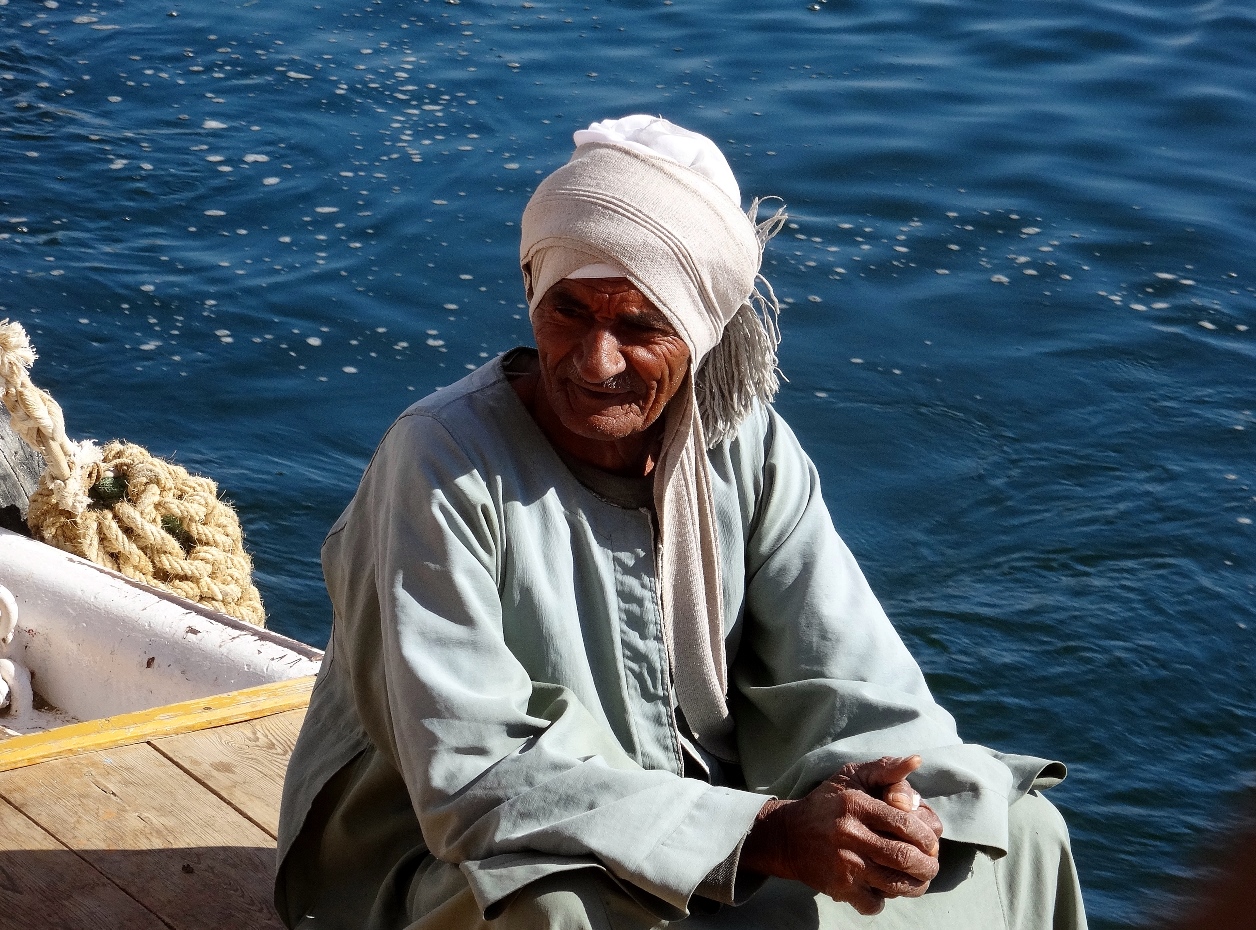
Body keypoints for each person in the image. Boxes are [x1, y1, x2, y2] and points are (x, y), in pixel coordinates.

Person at [275, 115, 1087, 929]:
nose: (595, 361)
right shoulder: (439, 462)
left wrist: (890, 798)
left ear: (701, 334)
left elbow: (853, 683)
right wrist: (764, 833)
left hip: (705, 820)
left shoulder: (748, 445)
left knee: (1015, 831)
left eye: (639, 325)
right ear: (532, 293)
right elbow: (473, 784)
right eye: (569, 311)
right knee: (565, 909)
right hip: (445, 853)